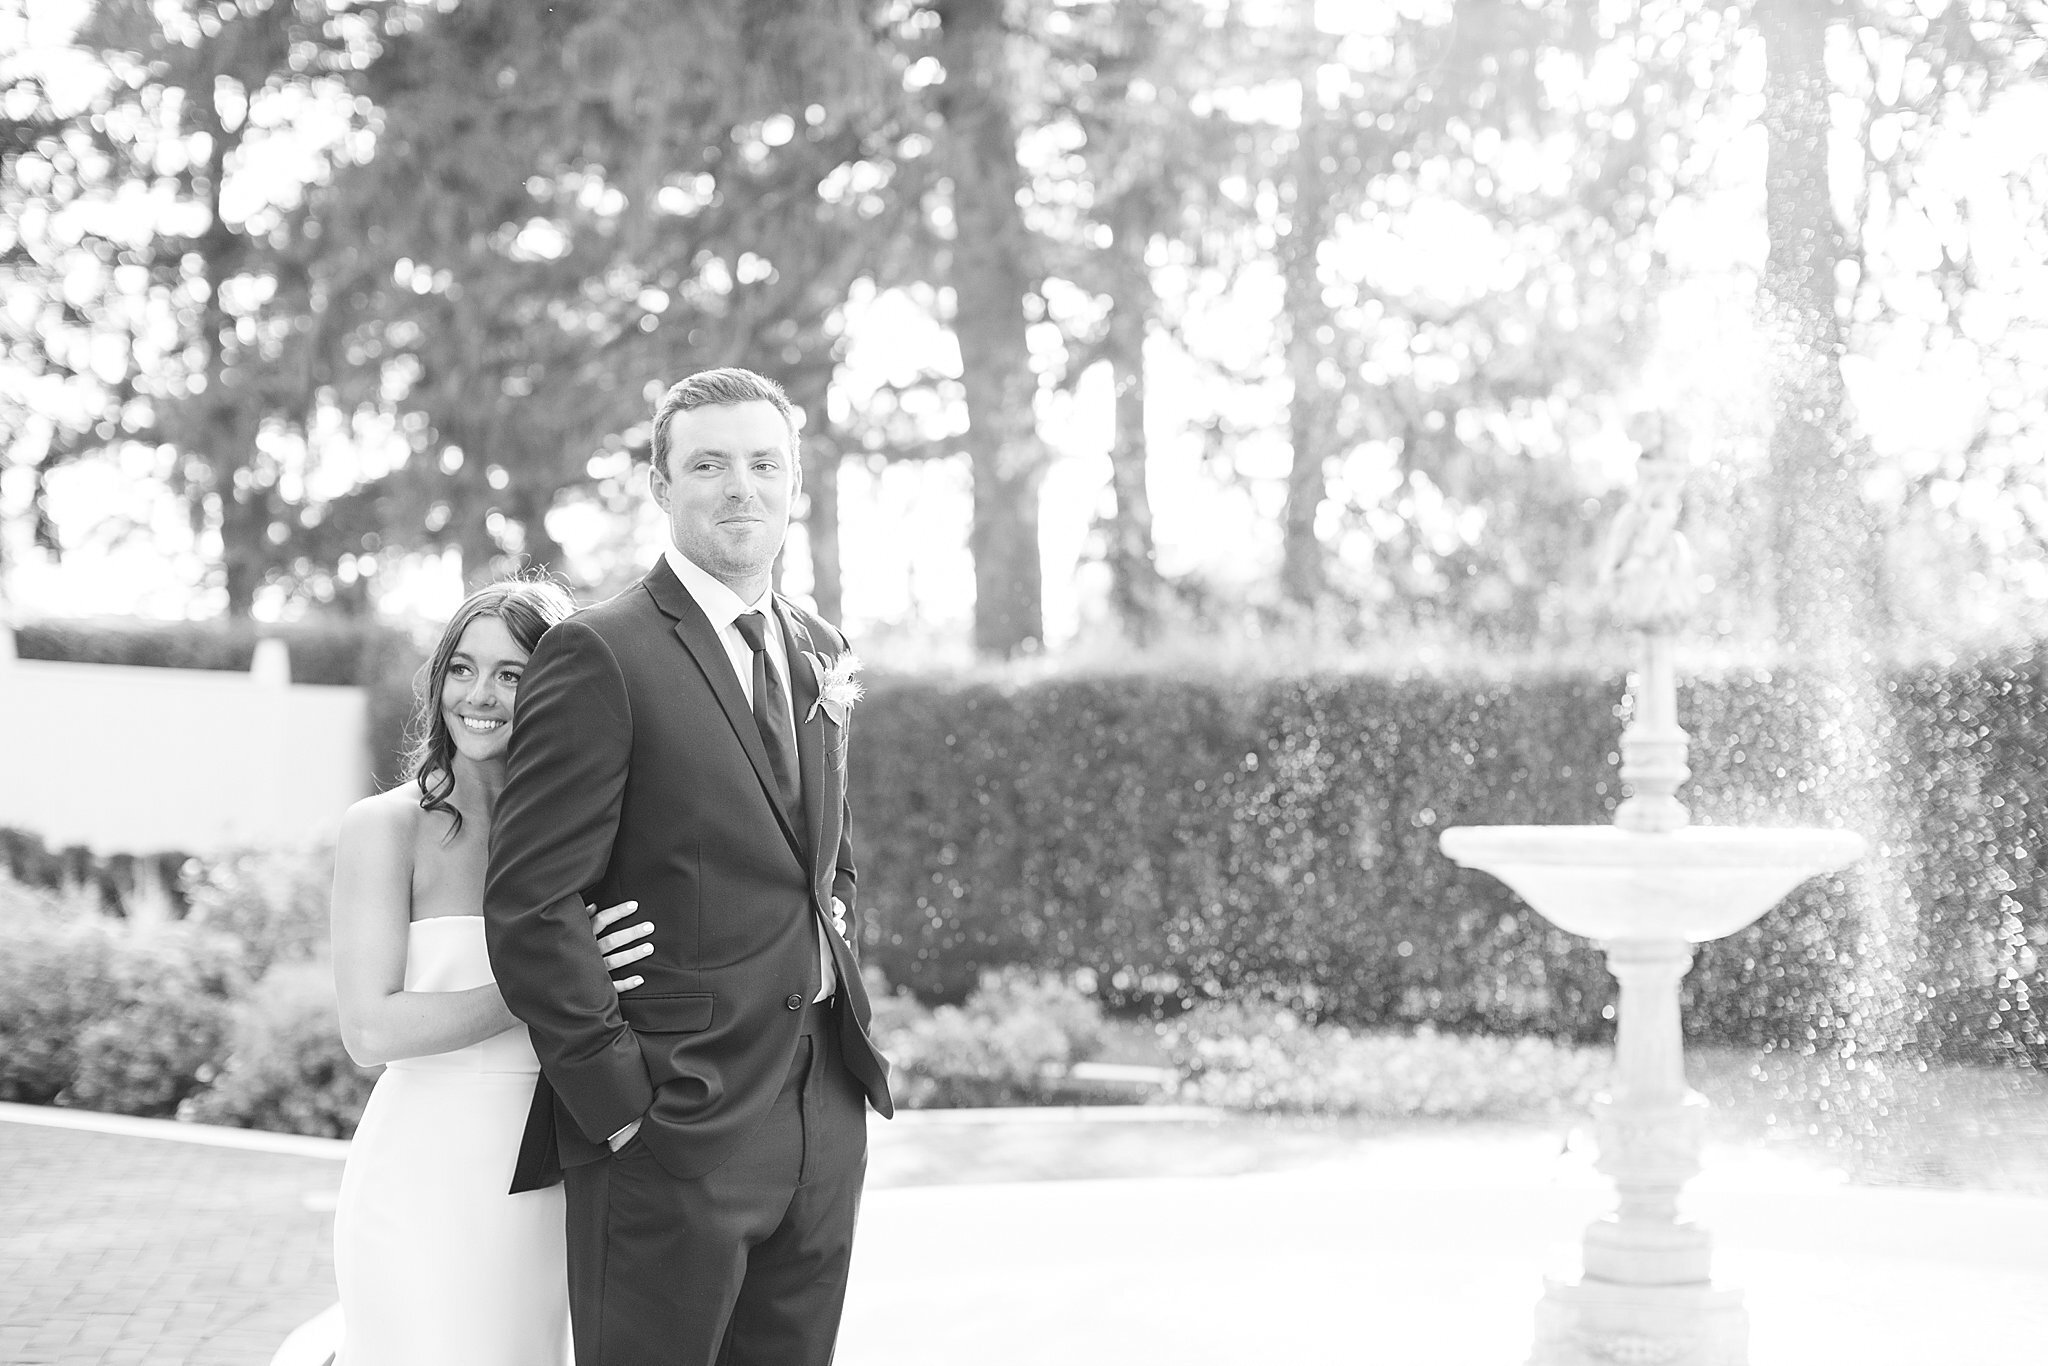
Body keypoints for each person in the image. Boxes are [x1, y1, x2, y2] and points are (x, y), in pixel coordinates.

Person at [484, 367, 895, 1366]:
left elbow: (820, 862)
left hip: (820, 1121)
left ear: (794, 483)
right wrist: (623, 1109)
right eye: (707, 464)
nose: (738, 486)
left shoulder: (817, 647)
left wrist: (836, 962)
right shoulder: (601, 653)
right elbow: (530, 904)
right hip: (671, 1127)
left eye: (763, 463)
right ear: (661, 487)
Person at [330, 579, 654, 1366]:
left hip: (553, 1180)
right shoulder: (385, 829)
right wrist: (541, 981)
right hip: (420, 1181)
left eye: (512, 674)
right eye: (463, 668)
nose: (481, 695)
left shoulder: (598, 839)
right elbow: (370, 1031)